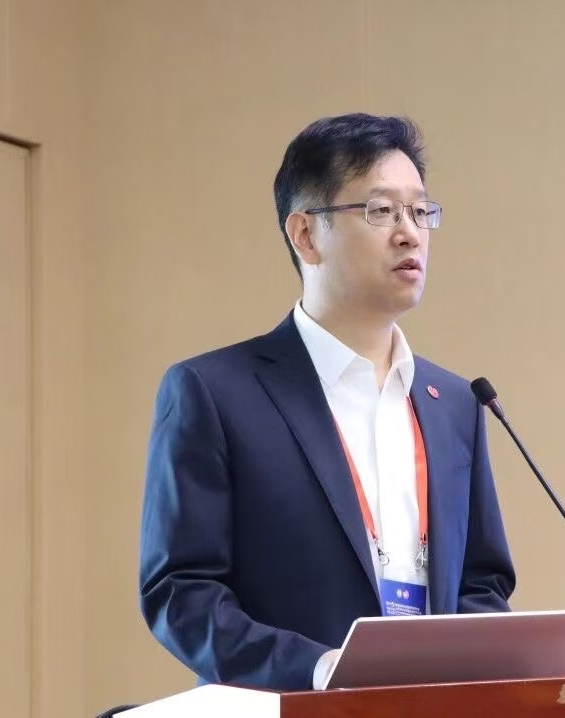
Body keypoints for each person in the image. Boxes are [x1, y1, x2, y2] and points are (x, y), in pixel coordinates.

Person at [138, 113, 516, 691]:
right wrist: (318, 671)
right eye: (381, 210)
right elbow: (181, 594)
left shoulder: (456, 404)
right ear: (306, 235)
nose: (410, 233)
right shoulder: (214, 393)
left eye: (420, 212)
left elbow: (481, 583)